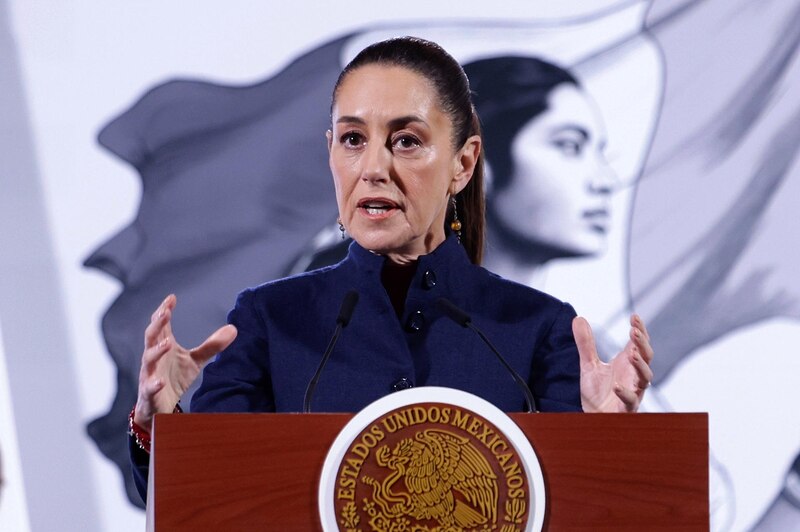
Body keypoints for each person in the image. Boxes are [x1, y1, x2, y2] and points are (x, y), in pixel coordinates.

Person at [128, 37, 654, 500]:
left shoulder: (538, 330)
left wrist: (602, 442)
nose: (374, 168)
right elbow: (204, 502)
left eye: (406, 141)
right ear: (330, 152)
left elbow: (580, 510)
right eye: (353, 140)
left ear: (463, 165)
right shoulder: (270, 320)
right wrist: (160, 427)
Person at [463, 56, 616, 283]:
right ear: (474, 165)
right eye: (570, 146)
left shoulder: (569, 319)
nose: (605, 182)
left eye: (600, 153)